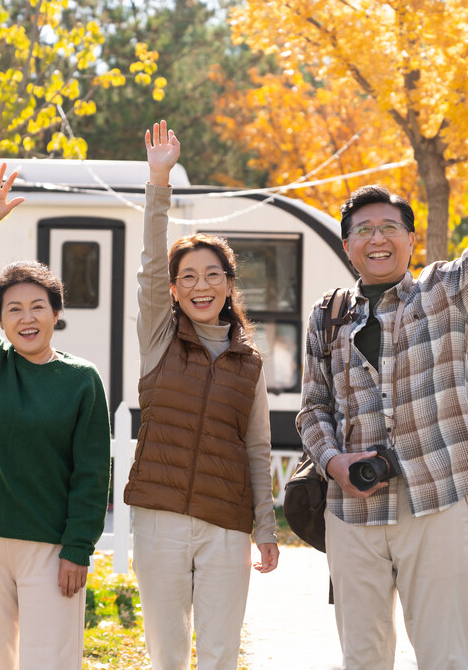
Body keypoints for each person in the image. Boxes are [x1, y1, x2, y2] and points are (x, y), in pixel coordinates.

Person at [296, 78, 468, 669]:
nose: (376, 237)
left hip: (433, 503)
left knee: (443, 656)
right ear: (347, 245)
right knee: (363, 658)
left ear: (410, 239)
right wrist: (335, 464)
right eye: (363, 230)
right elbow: (313, 411)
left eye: (389, 227)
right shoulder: (327, 315)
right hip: (351, 513)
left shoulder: (444, 291)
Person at [0, 162, 112, 669]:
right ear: (0, 320)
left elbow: (91, 472)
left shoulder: (81, 380)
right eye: (13, 309)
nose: (26, 318)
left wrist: (78, 547)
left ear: (56, 313)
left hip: (51, 545)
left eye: (37, 306)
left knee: (49, 659)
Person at [122, 121, 280, 670]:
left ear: (230, 285)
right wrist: (158, 180)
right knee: (166, 652)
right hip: (160, 518)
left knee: (219, 653)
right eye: (187, 276)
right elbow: (147, 265)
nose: (200, 285)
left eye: (213, 275)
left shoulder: (249, 363)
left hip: (225, 525)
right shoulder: (159, 339)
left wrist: (265, 525)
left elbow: (257, 450)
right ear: (173, 290)